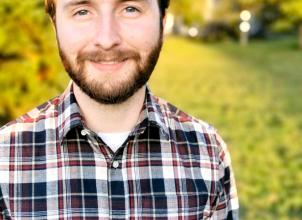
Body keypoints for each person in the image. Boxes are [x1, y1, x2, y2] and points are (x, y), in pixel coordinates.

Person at [0, 0, 239, 219]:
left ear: (162, 22)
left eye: (130, 8)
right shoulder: (5, 158)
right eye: (82, 11)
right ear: (55, 26)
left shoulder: (207, 152)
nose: (107, 39)